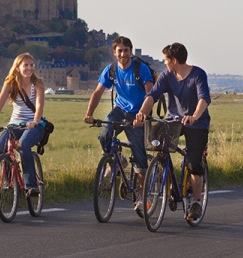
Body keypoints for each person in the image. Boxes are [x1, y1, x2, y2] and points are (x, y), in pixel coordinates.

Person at [134, 42, 210, 220]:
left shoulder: (198, 75)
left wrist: (195, 116)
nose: (164, 63)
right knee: (155, 141)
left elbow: (203, 99)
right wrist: (141, 113)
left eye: (166, 60)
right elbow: (152, 95)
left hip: (197, 123)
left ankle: (197, 202)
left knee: (193, 163)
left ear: (174, 60)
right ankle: (161, 173)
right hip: (174, 120)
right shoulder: (167, 76)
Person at [83, 36, 154, 210]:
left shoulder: (141, 69)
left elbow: (151, 94)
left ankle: (141, 195)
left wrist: (142, 115)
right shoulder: (111, 70)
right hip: (119, 110)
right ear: (114, 53)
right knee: (104, 136)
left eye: (126, 50)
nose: (123, 54)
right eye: (119, 51)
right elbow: (97, 92)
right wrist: (89, 114)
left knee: (139, 157)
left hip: (138, 113)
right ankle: (117, 161)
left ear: (130, 51)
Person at [0, 52, 45, 196]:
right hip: (15, 125)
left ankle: (31, 185)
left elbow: (40, 105)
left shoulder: (38, 84)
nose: (29, 68)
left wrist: (35, 121)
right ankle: (8, 180)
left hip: (35, 125)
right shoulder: (10, 84)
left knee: (23, 145)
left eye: (31, 65)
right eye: (26, 65)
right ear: (17, 68)